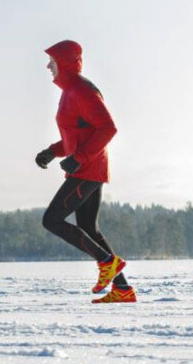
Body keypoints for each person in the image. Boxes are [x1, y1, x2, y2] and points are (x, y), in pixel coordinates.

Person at [36, 40, 137, 303]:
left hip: (87, 169)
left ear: (65, 62)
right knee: (88, 228)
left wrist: (79, 159)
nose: (48, 66)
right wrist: (52, 152)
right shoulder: (69, 91)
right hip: (87, 167)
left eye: (53, 61)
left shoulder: (81, 90)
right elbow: (78, 134)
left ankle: (107, 262)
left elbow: (107, 128)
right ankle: (122, 289)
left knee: (52, 220)